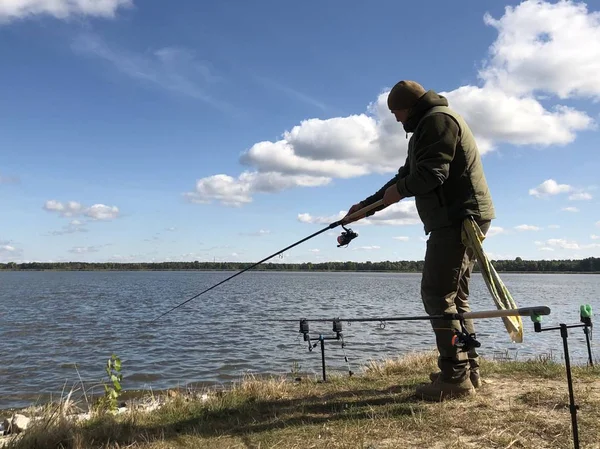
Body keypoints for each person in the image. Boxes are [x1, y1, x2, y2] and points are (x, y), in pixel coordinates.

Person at [343, 80, 495, 401]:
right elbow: (405, 176)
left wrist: (399, 190)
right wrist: (365, 208)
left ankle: (455, 379)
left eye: (397, 113)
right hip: (460, 216)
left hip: (457, 218)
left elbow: (431, 175)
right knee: (455, 296)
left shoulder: (437, 121)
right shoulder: (429, 123)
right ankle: (466, 369)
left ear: (409, 107)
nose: (397, 120)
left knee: (437, 294)